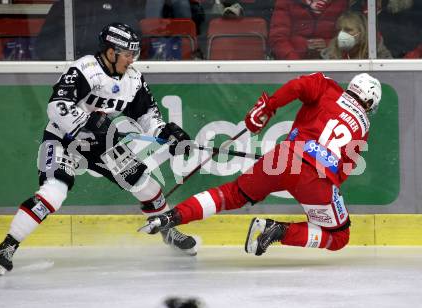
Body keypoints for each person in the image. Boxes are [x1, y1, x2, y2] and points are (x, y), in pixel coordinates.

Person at [0, 22, 197, 276]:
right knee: (54, 192)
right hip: (64, 139)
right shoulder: (85, 69)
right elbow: (57, 105)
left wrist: (166, 133)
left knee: (146, 185)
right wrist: (86, 123)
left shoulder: (133, 79)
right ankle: (6, 247)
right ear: (111, 52)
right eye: (127, 54)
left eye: (133, 53)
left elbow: (147, 115)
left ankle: (167, 230)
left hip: (103, 144)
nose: (132, 59)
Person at [139, 72, 381, 256]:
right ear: (369, 103)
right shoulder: (364, 126)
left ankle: (172, 216)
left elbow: (298, 86)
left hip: (284, 156)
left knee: (231, 194)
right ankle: (278, 230)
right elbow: (343, 170)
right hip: (317, 178)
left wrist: (269, 106)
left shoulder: (327, 86)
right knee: (339, 237)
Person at [35, 0, 146, 60]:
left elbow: (134, 39)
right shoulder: (63, 5)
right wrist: (63, 62)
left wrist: (110, 61)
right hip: (68, 68)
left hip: (106, 71)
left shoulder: (118, 5)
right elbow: (43, 44)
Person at [269, 0, 349, 59]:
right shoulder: (286, 2)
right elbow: (278, 38)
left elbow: (350, 35)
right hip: (293, 63)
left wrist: (329, 44)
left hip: (332, 63)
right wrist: (294, 62)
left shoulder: (341, 2)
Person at [321, 10, 392, 59]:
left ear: (362, 32)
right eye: (339, 30)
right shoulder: (328, 55)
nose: (341, 34)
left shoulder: (379, 55)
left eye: (348, 30)